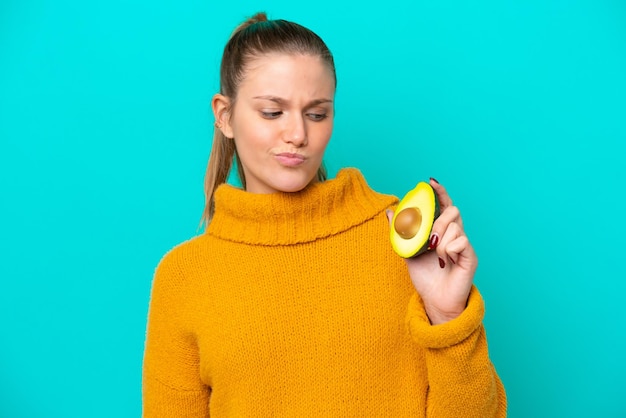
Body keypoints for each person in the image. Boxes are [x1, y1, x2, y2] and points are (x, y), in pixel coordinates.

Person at [142, 12, 507, 417]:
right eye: (272, 112)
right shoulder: (184, 277)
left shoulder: (403, 242)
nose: (298, 133)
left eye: (316, 113)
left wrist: (448, 317)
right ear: (224, 115)